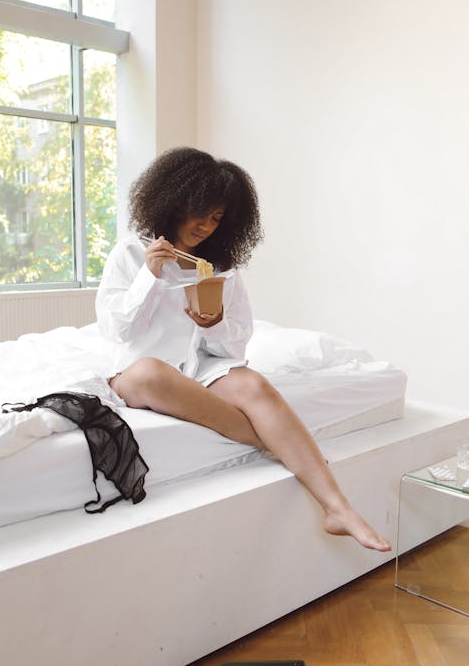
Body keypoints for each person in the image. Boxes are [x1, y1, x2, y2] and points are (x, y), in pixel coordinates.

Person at [96, 147, 391, 552]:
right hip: (139, 370)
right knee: (151, 371)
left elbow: (236, 345)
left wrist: (214, 323)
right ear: (174, 202)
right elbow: (116, 329)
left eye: (217, 218)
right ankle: (280, 444)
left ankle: (339, 508)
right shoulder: (132, 252)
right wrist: (150, 274)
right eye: (200, 212)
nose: (206, 226)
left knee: (252, 384)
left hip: (198, 368)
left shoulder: (220, 268)